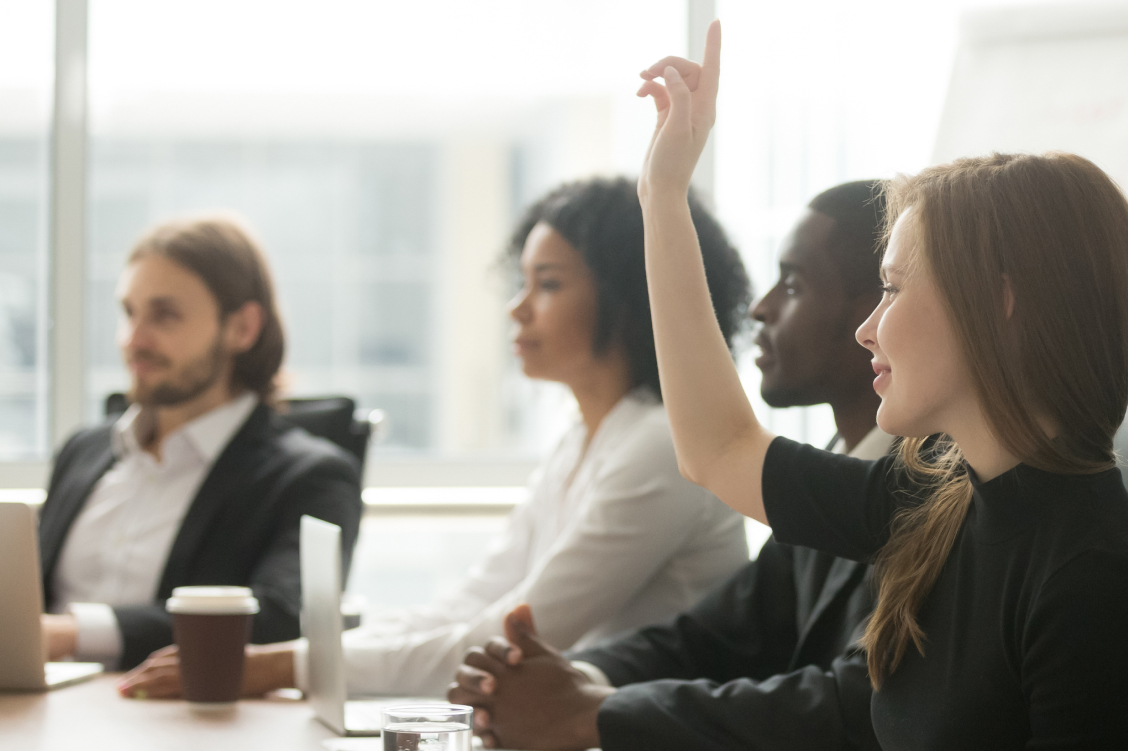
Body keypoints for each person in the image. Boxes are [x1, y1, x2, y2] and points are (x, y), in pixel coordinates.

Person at [626, 24, 1128, 751]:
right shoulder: (938, 500)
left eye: (891, 289)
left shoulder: (1097, 581)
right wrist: (663, 195)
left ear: (997, 304)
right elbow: (718, 448)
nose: (867, 329)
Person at [118, 176, 753, 699]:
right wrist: (299, 658)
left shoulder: (660, 446)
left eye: (549, 284)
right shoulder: (584, 439)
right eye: (522, 282)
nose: (518, 308)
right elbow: (466, 603)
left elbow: (508, 636)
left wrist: (285, 667)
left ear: (630, 296)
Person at [446, 180, 897, 751]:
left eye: (793, 284)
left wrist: (592, 710)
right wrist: (572, 679)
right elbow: (715, 637)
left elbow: (851, 707)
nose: (760, 308)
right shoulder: (843, 469)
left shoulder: (926, 489)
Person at [36, 216, 363, 671]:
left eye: (164, 315)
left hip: (181, 723)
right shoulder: (83, 451)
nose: (134, 340)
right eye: (129, 312)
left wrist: (71, 635)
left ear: (242, 328)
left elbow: (281, 618)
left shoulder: (310, 477)